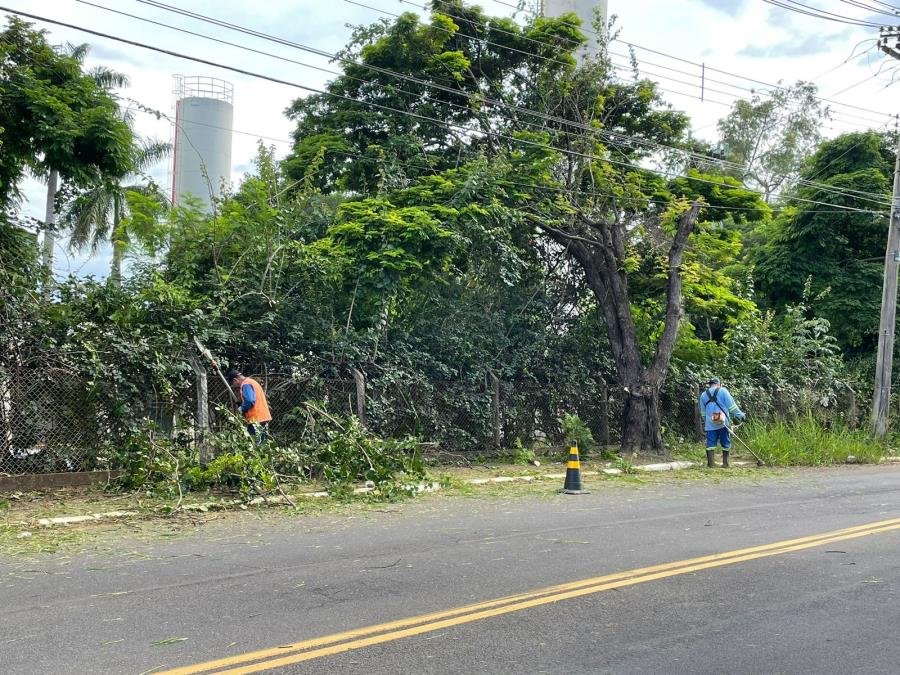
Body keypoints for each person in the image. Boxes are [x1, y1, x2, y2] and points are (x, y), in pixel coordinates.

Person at [698, 377, 745, 468]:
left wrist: (707, 421)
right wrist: (741, 415)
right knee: (725, 442)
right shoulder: (723, 391)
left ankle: (711, 464)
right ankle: (726, 463)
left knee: (710, 443)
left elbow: (703, 412)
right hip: (723, 423)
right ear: (719, 384)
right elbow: (732, 407)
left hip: (710, 424)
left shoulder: (703, 395)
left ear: (710, 384)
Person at [226, 370, 272, 443]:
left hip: (256, 419)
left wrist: (241, 409)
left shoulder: (245, 384)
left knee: (254, 444)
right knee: (262, 444)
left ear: (235, 380)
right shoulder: (251, 382)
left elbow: (250, 401)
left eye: (233, 384)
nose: (234, 387)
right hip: (263, 417)